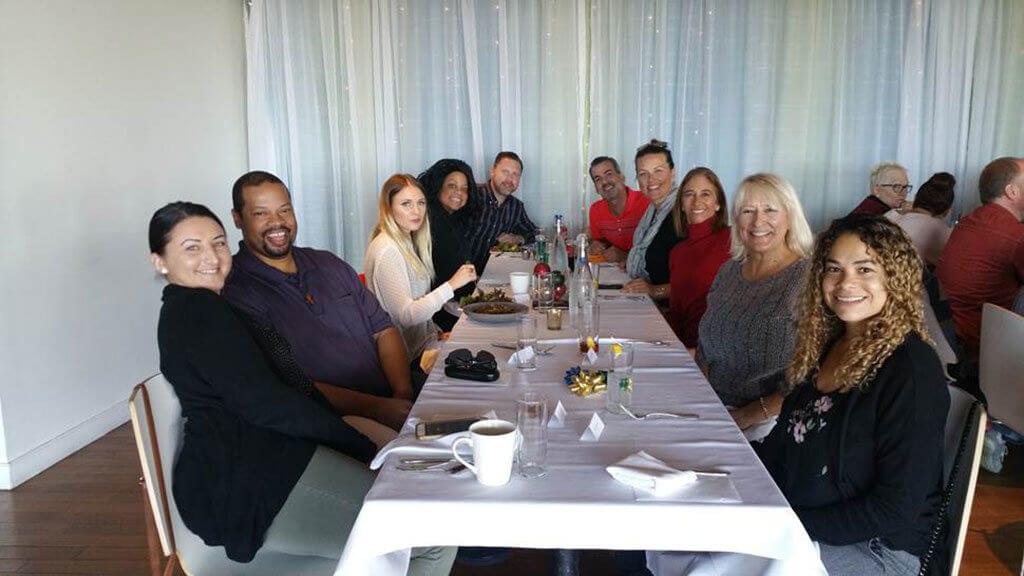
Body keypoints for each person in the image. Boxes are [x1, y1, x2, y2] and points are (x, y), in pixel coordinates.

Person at [148, 202, 455, 573]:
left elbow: (274, 394)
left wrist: (349, 430)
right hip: (246, 482)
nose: (211, 257)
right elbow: (265, 402)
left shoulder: (205, 307)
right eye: (191, 247)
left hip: (263, 454)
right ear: (159, 260)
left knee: (415, 488)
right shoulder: (198, 311)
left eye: (217, 243)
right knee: (433, 538)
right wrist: (349, 439)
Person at [758, 214, 949, 575]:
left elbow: (896, 507)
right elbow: (781, 447)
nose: (846, 283)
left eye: (865, 269)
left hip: (879, 550)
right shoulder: (828, 346)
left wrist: (788, 527)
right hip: (807, 525)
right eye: (834, 269)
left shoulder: (911, 370)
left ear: (894, 276)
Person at [222, 171, 416, 432]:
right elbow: (286, 381)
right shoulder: (238, 291)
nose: (277, 222)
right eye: (261, 214)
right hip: (331, 422)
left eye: (284, 210)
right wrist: (378, 408)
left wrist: (402, 395)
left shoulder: (328, 263)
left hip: (394, 400)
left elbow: (383, 330)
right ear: (237, 219)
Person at [696, 173, 813, 435]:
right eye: (747, 211)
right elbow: (706, 345)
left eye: (770, 209)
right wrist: (700, 400)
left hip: (769, 422)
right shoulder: (729, 270)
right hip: (715, 409)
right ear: (736, 221)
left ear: (790, 217)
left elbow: (816, 371)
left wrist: (750, 414)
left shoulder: (807, 277)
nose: (758, 221)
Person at [363, 173, 477, 368]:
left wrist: (436, 334)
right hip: (407, 361)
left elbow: (417, 309)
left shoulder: (408, 240)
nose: (416, 211)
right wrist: (452, 285)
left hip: (423, 346)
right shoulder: (388, 250)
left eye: (421, 203)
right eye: (406, 204)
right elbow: (406, 317)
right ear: (389, 208)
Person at [937, 157, 1024, 390]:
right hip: (983, 346)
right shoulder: (1014, 235)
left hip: (951, 331)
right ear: (1012, 191)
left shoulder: (968, 221)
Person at [666, 167, 731, 349]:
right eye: (689, 194)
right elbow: (676, 313)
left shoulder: (734, 241)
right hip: (682, 349)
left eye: (706, 194)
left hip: (714, 352)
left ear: (718, 203)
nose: (697, 201)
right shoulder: (677, 252)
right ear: (681, 204)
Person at [418, 159, 481, 332]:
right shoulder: (433, 220)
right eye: (452, 186)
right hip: (437, 314)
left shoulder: (450, 218)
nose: (458, 192)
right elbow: (447, 272)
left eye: (464, 188)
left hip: (448, 304)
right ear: (438, 186)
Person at [622, 139, 683, 301]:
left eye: (658, 171)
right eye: (643, 174)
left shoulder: (683, 213)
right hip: (649, 303)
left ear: (673, 172)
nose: (651, 180)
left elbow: (697, 280)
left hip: (672, 311)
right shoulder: (652, 212)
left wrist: (655, 290)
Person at [466, 151, 538, 267]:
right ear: (492, 172)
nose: (510, 179)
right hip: (458, 275)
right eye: (505, 172)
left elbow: (535, 233)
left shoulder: (516, 207)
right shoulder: (471, 196)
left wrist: (519, 238)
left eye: (515, 174)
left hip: (493, 275)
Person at [885, 172, 956, 267]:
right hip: (904, 278)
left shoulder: (891, 214)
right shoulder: (940, 230)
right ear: (947, 211)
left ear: (915, 198)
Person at [588, 155, 650, 263]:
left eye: (609, 174)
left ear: (622, 177)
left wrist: (626, 256)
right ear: (596, 188)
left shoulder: (647, 202)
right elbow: (601, 241)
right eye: (598, 179)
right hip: (614, 274)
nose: (604, 182)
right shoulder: (595, 210)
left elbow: (660, 250)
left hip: (646, 273)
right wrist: (596, 244)